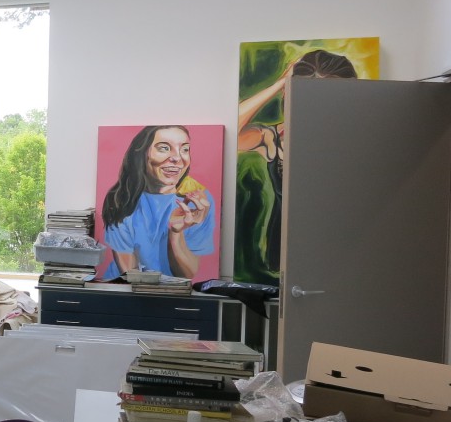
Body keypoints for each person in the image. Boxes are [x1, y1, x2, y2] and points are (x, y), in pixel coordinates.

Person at [235, 49, 357, 280]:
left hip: (339, 247)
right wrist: (281, 82)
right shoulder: (272, 138)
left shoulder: (352, 141)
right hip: (286, 248)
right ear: (288, 95)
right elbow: (235, 127)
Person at [101, 125, 214, 279]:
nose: (178, 158)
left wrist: (176, 233)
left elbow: (187, 274)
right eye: (164, 148)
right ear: (142, 154)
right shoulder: (121, 198)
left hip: (172, 290)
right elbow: (130, 275)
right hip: (125, 287)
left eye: (185, 149)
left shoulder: (198, 202)